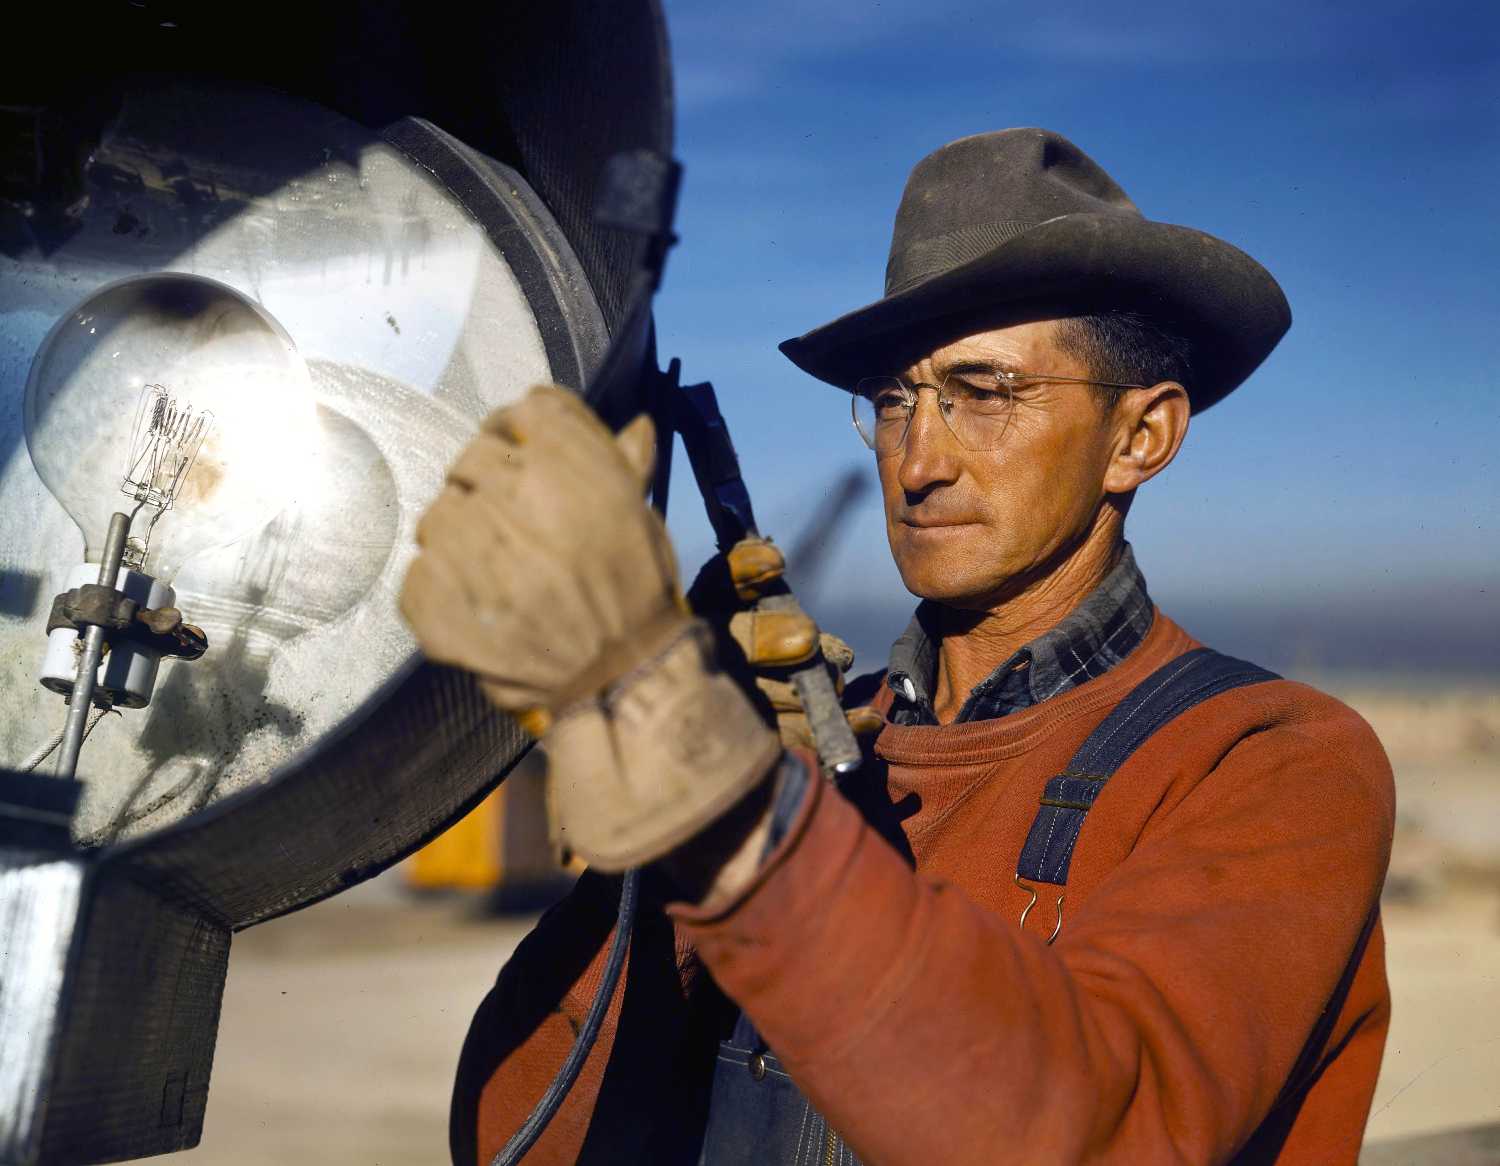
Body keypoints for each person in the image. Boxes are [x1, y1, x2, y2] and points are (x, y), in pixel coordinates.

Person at [401, 128, 1394, 1165]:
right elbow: (515, 1134)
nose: (918, 462)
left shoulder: (1273, 762)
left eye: (986, 394)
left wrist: (722, 801)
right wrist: (670, 860)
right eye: (893, 400)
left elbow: (1099, 1126)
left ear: (1140, 437)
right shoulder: (803, 742)